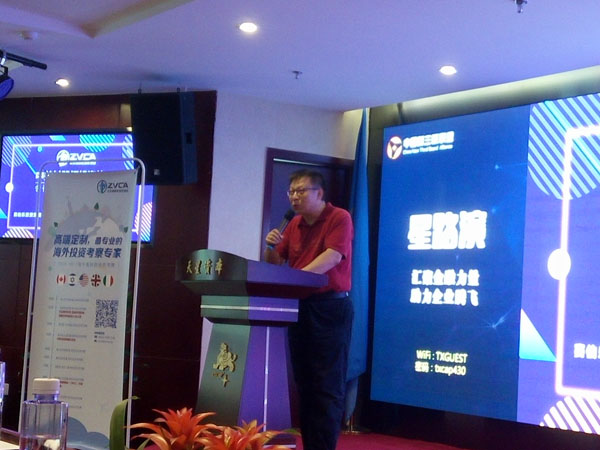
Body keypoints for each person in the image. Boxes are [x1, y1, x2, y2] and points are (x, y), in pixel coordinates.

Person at [264, 169, 354, 450]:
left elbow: (332, 257)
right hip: (300, 306)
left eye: (301, 191)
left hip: (330, 308)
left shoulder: (339, 217)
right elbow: (275, 263)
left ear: (319, 193)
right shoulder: (294, 224)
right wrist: (271, 247)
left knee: (326, 384)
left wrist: (297, 278)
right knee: (305, 381)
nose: (294, 197)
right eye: (291, 191)